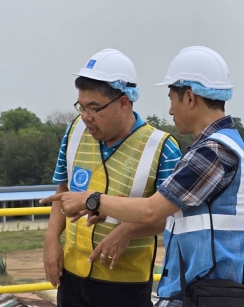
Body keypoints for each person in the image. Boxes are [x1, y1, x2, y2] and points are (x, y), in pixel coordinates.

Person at [41, 46, 244, 306]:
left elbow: (154, 211)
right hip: (196, 289)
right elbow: (174, 213)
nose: (170, 110)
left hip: (200, 290)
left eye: (172, 99)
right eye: (82, 107)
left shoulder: (213, 152)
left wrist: (93, 200)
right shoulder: (215, 147)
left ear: (189, 97)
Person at [43, 48, 182, 307]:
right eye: (82, 106)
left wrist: (128, 230)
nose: (86, 117)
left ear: (123, 102)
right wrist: (51, 240)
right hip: (71, 277)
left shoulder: (161, 147)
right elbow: (64, 189)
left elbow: (173, 217)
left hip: (125, 283)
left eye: (95, 108)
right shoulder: (74, 132)